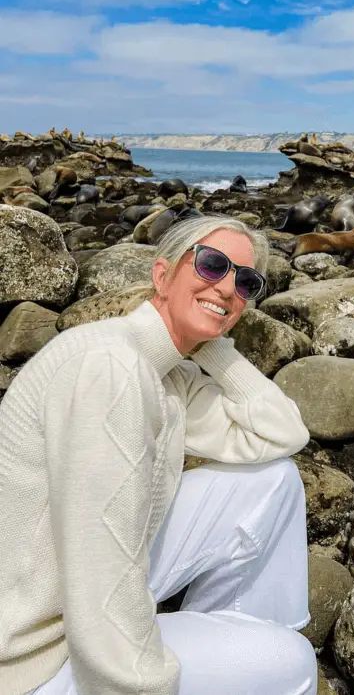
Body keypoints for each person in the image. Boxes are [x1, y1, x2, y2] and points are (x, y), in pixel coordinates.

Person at [0, 215, 317, 695]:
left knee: (273, 479)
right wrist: (144, 684)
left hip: (71, 587)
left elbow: (282, 433)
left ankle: (243, 641)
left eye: (245, 282)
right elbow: (98, 558)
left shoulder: (166, 373)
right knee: (293, 664)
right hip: (36, 651)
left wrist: (213, 342)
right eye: (212, 265)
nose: (229, 287)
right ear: (162, 275)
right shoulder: (111, 369)